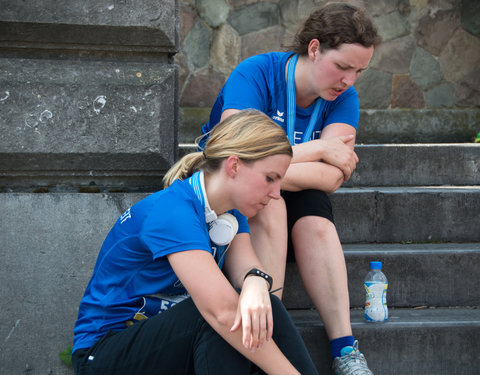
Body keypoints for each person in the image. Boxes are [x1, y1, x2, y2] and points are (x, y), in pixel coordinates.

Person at [199, 3, 381, 374]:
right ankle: (270, 331)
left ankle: (346, 351)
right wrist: (318, 149)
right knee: (270, 202)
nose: (349, 81)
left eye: (359, 71)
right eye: (343, 67)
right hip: (233, 189)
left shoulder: (344, 97)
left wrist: (267, 165)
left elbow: (332, 176)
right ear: (314, 49)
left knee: (317, 223)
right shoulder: (256, 73)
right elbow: (234, 154)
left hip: (288, 185)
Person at [71, 110, 320, 375]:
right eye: (270, 178)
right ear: (234, 165)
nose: (275, 193)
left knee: (263, 306)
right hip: (105, 355)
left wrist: (257, 282)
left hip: (172, 344)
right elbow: (221, 312)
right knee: (221, 318)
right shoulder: (172, 212)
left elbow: (245, 267)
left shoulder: (233, 211)